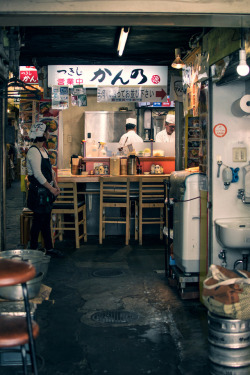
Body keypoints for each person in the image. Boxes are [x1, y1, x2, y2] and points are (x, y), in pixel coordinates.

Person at [26, 121, 63, 258]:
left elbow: (50, 171)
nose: (49, 134)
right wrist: (51, 188)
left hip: (46, 191)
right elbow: (37, 174)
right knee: (38, 221)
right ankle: (34, 249)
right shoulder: (33, 151)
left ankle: (48, 248)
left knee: (45, 220)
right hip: (38, 192)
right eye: (47, 132)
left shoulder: (44, 150)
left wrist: (55, 185)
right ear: (42, 134)